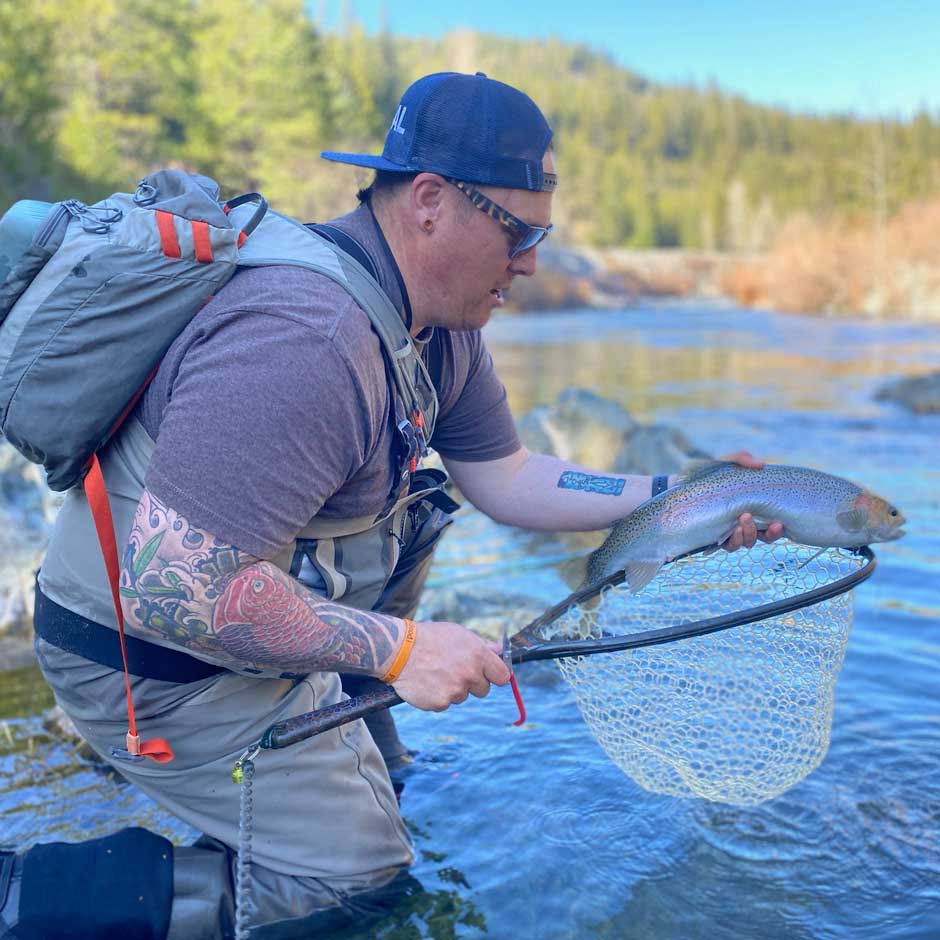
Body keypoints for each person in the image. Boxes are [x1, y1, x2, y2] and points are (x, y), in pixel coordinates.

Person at [27, 72, 783, 937]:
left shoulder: (440, 327)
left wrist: (677, 495)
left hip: (252, 621)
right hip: (145, 658)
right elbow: (179, 588)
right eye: (520, 231)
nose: (533, 261)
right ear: (429, 201)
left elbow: (505, 473)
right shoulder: (307, 340)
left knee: (390, 779)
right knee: (357, 880)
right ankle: (28, 898)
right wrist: (404, 649)